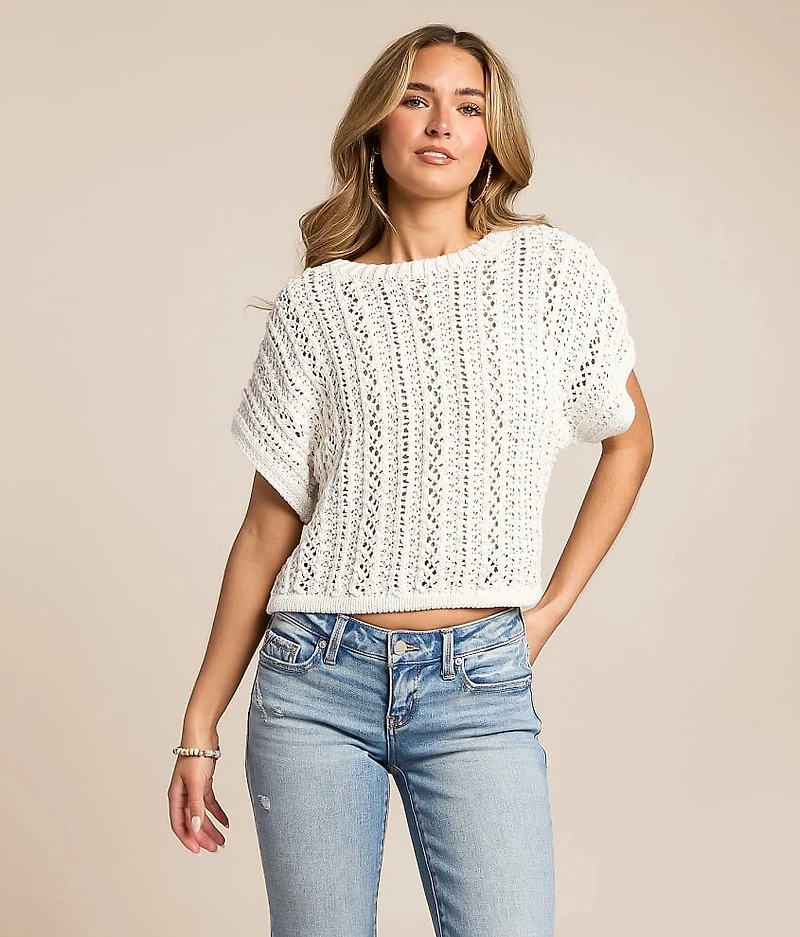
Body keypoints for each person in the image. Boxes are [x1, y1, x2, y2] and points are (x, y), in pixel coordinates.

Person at [167, 23, 653, 937]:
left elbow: (631, 441)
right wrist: (200, 724)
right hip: (314, 679)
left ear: (491, 137)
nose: (441, 123)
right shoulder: (318, 304)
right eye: (416, 99)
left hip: (478, 683)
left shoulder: (550, 275)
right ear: (376, 126)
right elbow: (266, 530)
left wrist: (546, 610)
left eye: (468, 106)